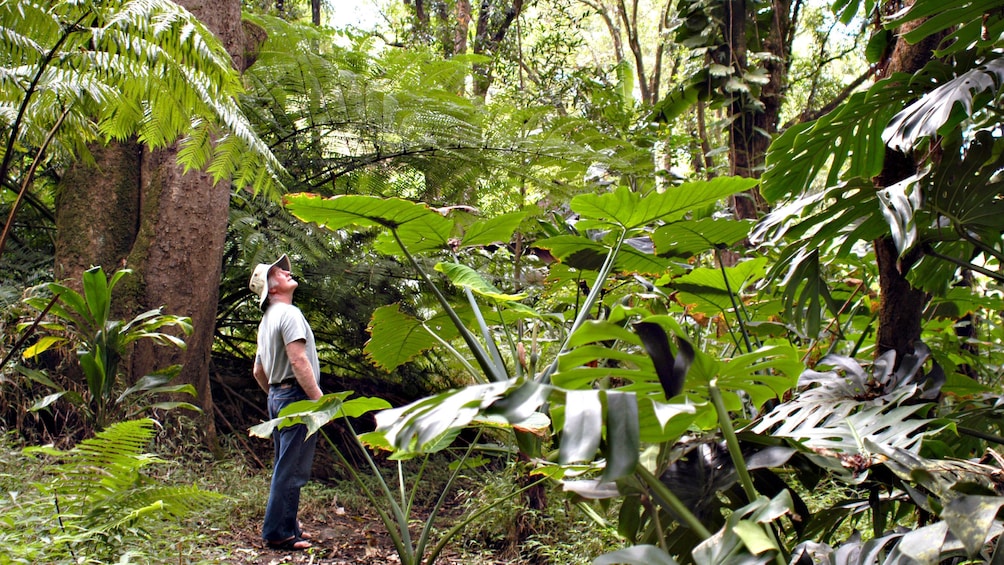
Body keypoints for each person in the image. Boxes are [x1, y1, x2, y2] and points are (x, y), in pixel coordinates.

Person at [248, 254, 324, 551]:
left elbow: (258, 370)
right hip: (296, 397)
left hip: (278, 397)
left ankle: (288, 527)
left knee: (287, 465)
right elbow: (298, 359)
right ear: (273, 290)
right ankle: (277, 533)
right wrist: (319, 401)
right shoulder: (289, 314)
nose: (285, 272)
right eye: (278, 273)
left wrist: (275, 393)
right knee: (291, 469)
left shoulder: (267, 320)